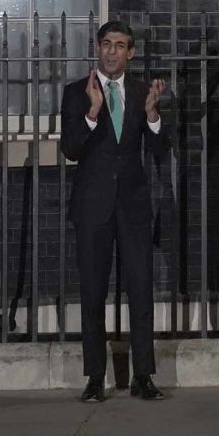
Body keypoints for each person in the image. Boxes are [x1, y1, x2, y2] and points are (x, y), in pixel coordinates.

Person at [60, 20, 169, 402]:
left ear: (131, 52)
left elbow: (159, 150)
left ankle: (143, 376)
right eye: (106, 44)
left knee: (140, 289)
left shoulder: (141, 92)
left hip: (133, 207)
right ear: (98, 47)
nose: (111, 52)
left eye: (120, 45)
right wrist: (92, 111)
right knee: (93, 293)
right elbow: (71, 149)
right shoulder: (77, 93)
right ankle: (94, 378)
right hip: (92, 208)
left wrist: (153, 116)